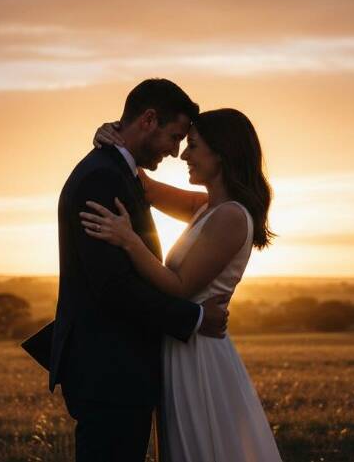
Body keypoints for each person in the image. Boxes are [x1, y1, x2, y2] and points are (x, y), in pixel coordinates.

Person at [22, 78, 230, 462]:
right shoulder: (104, 177)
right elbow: (113, 287)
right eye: (174, 137)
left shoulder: (120, 172)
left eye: (188, 143)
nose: (176, 151)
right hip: (109, 370)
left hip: (119, 368)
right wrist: (196, 318)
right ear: (149, 119)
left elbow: (207, 208)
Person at [83, 107, 283, 461]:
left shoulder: (232, 217)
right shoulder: (206, 207)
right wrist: (112, 135)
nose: (183, 155)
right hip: (182, 345)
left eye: (192, 146)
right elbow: (144, 186)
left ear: (221, 154)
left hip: (198, 355)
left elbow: (178, 287)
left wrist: (129, 239)